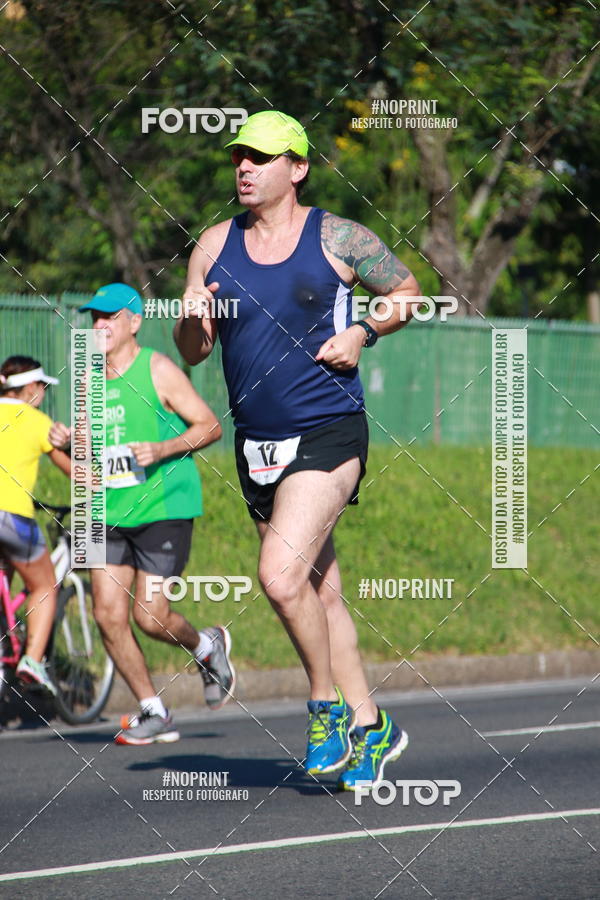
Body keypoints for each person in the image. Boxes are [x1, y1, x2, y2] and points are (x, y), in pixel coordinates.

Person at [174, 111, 422, 790]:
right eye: (238, 157)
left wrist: (364, 333)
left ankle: (324, 707)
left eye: (262, 156)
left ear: (298, 167)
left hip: (328, 429)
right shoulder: (213, 245)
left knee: (280, 576)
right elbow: (194, 352)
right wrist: (191, 318)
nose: (245, 168)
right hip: (258, 443)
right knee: (319, 591)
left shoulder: (339, 237)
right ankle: (375, 728)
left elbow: (406, 291)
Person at [51, 283, 235, 745]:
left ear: (134, 322)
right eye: (94, 317)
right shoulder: (87, 376)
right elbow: (94, 450)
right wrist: (70, 445)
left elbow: (210, 425)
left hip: (161, 507)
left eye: (110, 317)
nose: (99, 325)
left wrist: (161, 448)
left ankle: (207, 647)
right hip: (103, 511)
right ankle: (153, 710)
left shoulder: (158, 368)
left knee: (150, 618)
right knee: (107, 616)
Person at [0, 356, 72, 695]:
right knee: (44, 585)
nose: (43, 392)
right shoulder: (35, 420)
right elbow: (75, 472)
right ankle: (31, 660)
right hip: (11, 517)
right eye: (42, 386)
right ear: (29, 388)